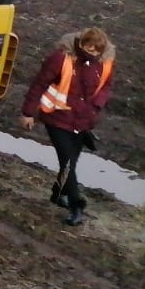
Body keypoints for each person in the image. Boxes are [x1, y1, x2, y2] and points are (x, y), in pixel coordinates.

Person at [20, 28, 115, 226]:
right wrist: (28, 113)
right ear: (80, 43)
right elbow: (38, 85)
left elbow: (106, 87)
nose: (92, 53)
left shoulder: (104, 64)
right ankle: (76, 205)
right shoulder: (60, 59)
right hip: (57, 118)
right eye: (88, 48)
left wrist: (97, 105)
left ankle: (57, 193)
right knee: (68, 163)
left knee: (70, 162)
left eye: (96, 51)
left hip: (82, 122)